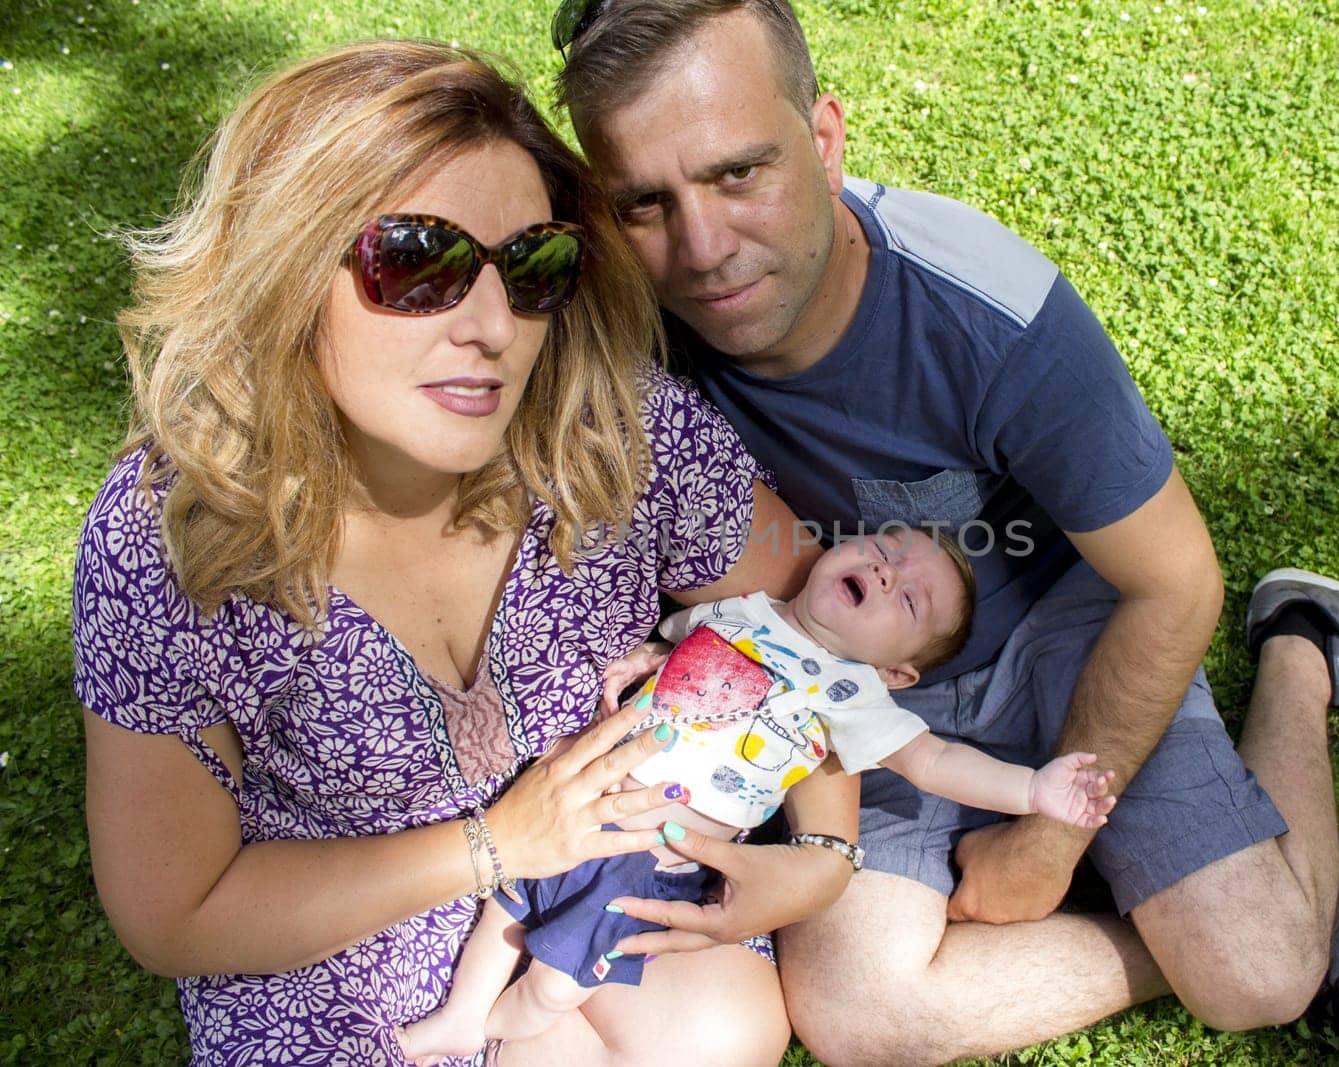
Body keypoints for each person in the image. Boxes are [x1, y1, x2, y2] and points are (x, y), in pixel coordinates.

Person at [550, 3, 1339, 1065]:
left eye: (739, 174)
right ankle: (1203, 915)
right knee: (862, 1017)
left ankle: (1300, 650)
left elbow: (1173, 584)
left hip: (1063, 632)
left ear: (822, 142)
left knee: (1261, 972)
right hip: (857, 682)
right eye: (646, 202)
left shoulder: (987, 312)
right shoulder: (619, 333)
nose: (703, 249)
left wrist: (1051, 845)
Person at [73, 39, 860, 1067]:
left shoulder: (618, 431)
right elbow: (176, 913)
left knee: (720, 1029)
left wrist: (821, 851)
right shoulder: (169, 540)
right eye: (417, 263)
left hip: (603, 873)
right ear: (284, 268)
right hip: (336, 927)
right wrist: (495, 844)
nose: (493, 326)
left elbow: (815, 618)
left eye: (533, 267)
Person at [398, 525, 1118, 1063]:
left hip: (654, 855)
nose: (885, 570)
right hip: (586, 796)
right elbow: (676, 644)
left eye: (909, 596)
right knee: (509, 901)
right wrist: (650, 656)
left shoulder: (852, 693)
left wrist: (1033, 788)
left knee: (560, 979)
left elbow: (933, 761)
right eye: (887, 549)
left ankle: (499, 1025)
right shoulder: (743, 608)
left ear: (898, 673)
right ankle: (464, 1013)